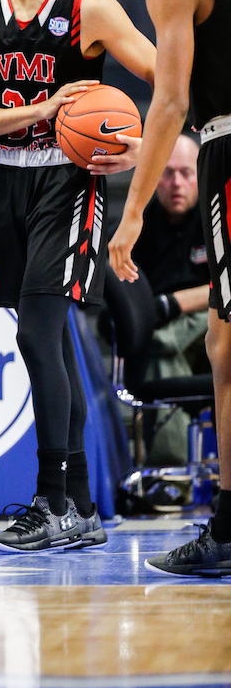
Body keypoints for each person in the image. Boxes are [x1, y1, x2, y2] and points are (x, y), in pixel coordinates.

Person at [0, 0, 156, 553]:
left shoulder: (88, 5)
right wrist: (41, 110)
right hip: (8, 178)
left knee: (38, 336)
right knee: (51, 341)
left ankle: (53, 499)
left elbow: (164, 76)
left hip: (71, 181)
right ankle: (84, 507)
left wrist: (143, 148)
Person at [108, 0, 231, 578]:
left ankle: (225, 529)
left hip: (227, 151)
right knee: (221, 349)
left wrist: (131, 215)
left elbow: (173, 101)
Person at [132, 132, 210, 463]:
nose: (176, 182)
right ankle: (171, 481)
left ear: (200, 176)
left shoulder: (217, 217)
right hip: (160, 334)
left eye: (186, 173)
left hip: (216, 325)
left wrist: (176, 303)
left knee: (165, 339)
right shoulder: (137, 227)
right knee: (161, 351)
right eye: (167, 172)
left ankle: (169, 479)